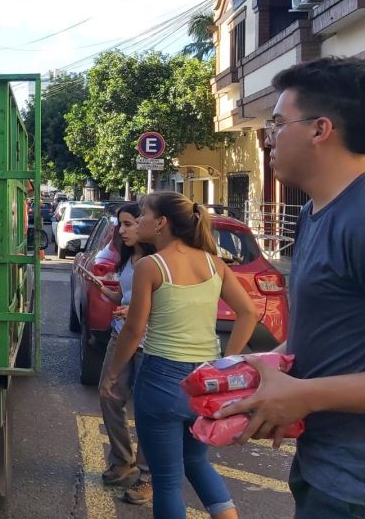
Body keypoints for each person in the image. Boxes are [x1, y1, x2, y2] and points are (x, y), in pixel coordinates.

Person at [216, 57, 365, 518]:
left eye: (278, 123)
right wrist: (265, 368)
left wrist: (302, 396)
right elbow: (328, 334)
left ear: (320, 129)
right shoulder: (312, 213)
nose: (268, 137)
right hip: (324, 467)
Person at [100, 192, 257, 519]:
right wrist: (227, 363)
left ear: (161, 223)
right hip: (204, 381)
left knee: (168, 481)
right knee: (196, 462)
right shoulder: (214, 264)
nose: (138, 221)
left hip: (161, 379)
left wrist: (113, 374)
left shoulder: (151, 265)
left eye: (143, 215)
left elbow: (134, 329)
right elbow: (248, 313)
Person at [97, 203, 154, 505]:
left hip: (148, 342)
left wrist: (135, 311)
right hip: (121, 334)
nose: (122, 230)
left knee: (146, 410)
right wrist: (111, 294)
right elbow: (128, 295)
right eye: (121, 224)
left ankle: (147, 477)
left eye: (129, 224)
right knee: (108, 394)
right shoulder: (129, 259)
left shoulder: (157, 262)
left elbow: (162, 303)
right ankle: (122, 461)